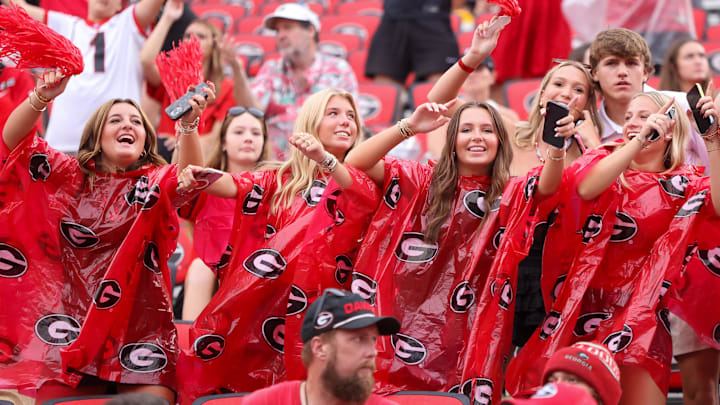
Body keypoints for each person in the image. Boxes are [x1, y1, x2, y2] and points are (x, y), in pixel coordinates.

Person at [342, 64, 572, 393]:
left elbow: (548, 188)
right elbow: (355, 163)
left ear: (499, 142)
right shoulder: (421, 180)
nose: (477, 137)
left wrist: (557, 147)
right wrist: (409, 126)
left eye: (487, 130)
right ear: (452, 141)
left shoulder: (512, 192)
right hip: (406, 322)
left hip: (474, 331)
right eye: (466, 130)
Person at [0, 69, 215, 404]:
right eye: (115, 120)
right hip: (72, 331)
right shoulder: (69, 176)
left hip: (145, 334)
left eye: (136, 122)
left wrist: (188, 125)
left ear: (146, 141)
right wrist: (42, 96)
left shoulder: (157, 180)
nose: (127, 125)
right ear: (97, 136)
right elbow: (15, 140)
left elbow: (189, 177)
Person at [506, 91, 720, 404]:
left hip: (643, 322)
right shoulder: (603, 159)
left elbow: (718, 206)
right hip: (584, 310)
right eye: (629, 117)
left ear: (671, 127)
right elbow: (588, 187)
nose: (633, 122)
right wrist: (638, 139)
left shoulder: (687, 181)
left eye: (644, 116)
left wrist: (713, 139)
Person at [176, 88, 382, 401]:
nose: (346, 122)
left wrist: (325, 160)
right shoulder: (277, 180)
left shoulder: (368, 178)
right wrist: (189, 128)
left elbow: (359, 198)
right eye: (334, 113)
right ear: (312, 124)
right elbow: (206, 181)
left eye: (351, 116)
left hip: (339, 321)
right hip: (270, 323)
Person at [1, 0, 164, 154]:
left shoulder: (129, 23)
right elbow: (21, 11)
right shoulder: (65, 24)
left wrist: (170, 14)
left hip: (112, 150)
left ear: (120, 4)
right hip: (62, 147)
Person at [232, 2, 359, 160]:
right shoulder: (271, 68)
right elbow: (251, 110)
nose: (281, 35)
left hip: (321, 164)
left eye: (288, 27)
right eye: (277, 30)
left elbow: (352, 122)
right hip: (274, 166)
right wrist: (237, 69)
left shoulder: (338, 69)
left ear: (311, 30)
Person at [178, 106, 270, 320]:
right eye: (239, 132)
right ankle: (192, 344)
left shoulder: (277, 188)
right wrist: (188, 127)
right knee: (201, 269)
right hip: (209, 282)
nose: (248, 138)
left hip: (257, 280)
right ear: (224, 143)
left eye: (256, 133)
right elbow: (187, 174)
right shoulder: (204, 186)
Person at [241, 289, 401, 405]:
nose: (373, 352)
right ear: (320, 347)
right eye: (359, 339)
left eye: (373, 340)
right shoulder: (265, 402)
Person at [141, 0, 240, 162]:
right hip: (164, 156)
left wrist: (183, 142)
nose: (192, 39)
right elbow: (146, 61)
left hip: (199, 160)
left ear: (213, 45)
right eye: (187, 35)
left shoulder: (226, 87)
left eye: (201, 36)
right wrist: (167, 18)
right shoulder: (172, 79)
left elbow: (217, 138)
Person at [364, 0, 459, 88]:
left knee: (440, 87)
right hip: (392, 19)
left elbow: (458, 4)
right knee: (386, 89)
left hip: (433, 18)